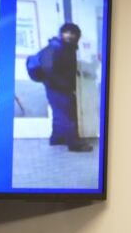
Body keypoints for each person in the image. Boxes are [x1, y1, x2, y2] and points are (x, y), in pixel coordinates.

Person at [38, 23, 92, 152]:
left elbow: (63, 66)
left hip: (58, 87)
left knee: (59, 114)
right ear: (61, 33)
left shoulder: (68, 48)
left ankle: (56, 139)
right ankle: (74, 144)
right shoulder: (56, 47)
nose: (70, 35)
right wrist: (62, 84)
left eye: (73, 33)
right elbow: (48, 69)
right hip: (57, 88)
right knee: (68, 115)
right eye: (67, 32)